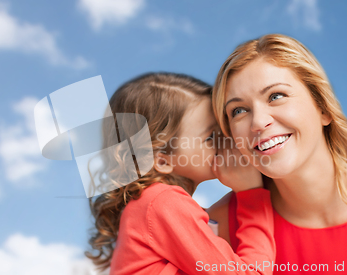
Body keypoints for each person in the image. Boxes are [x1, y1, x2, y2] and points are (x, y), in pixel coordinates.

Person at [208, 34, 347, 274]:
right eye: (238, 110)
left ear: (322, 107)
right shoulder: (218, 225)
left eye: (276, 96)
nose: (258, 122)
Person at [85, 72, 276, 274]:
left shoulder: (150, 204)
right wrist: (251, 194)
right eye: (211, 136)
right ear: (162, 160)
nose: (228, 139)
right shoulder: (163, 202)